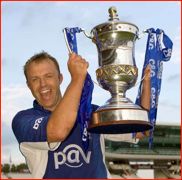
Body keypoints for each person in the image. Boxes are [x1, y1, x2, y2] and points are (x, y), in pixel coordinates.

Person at [12, 51, 151, 179]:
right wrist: (77, 79)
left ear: (60, 79)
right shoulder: (23, 121)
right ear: (28, 85)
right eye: (35, 79)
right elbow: (59, 130)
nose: (43, 85)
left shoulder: (90, 112)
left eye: (48, 76)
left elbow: (141, 131)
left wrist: (147, 82)